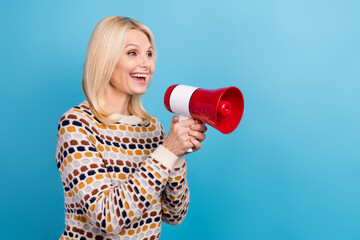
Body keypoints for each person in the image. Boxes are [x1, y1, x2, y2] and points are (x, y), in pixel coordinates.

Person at [56, 16, 207, 240]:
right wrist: (166, 152)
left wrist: (177, 156)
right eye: (132, 53)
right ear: (105, 59)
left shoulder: (152, 128)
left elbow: (175, 214)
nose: (146, 64)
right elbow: (108, 218)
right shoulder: (76, 124)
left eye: (149, 54)